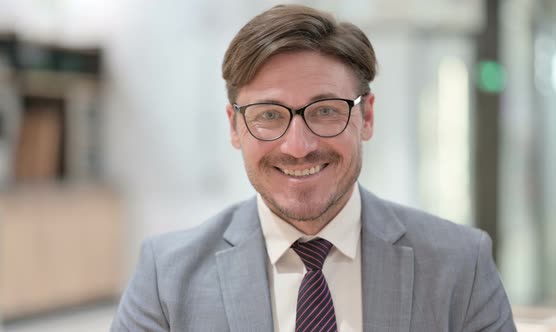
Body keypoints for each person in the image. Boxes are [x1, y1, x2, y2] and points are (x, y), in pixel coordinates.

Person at [111, 4, 516, 332]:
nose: (298, 146)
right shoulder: (165, 277)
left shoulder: (461, 265)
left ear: (367, 118)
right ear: (234, 126)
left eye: (324, 111)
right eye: (269, 115)